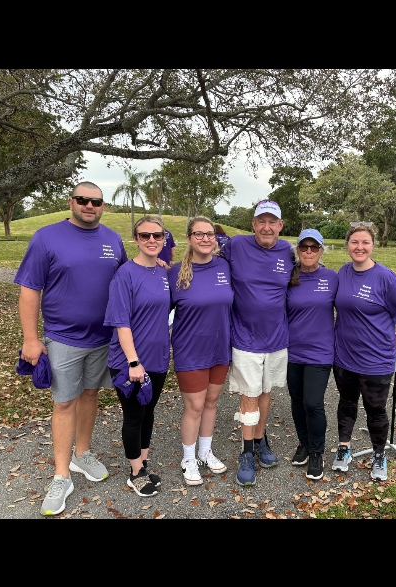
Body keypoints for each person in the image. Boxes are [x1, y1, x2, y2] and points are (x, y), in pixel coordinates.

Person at [14, 181, 128, 516]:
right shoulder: (46, 238)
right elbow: (30, 290)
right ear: (71, 202)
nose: (89, 206)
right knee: (64, 403)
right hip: (63, 338)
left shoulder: (112, 239)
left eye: (96, 201)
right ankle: (61, 475)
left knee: (90, 394)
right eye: (82, 199)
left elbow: (126, 280)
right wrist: (30, 338)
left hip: (102, 337)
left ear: (103, 206)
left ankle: (82, 454)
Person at [332, 224, 396, 481]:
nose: (359, 247)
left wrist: (394, 342)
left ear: (373, 245)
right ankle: (344, 448)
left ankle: (379, 454)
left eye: (365, 242)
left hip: (376, 361)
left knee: (375, 409)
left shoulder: (385, 278)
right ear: (347, 244)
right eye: (354, 242)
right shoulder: (343, 272)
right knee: (346, 402)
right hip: (344, 356)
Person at [221, 200, 295, 486]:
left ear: (280, 225)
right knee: (249, 396)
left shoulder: (288, 252)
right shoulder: (236, 245)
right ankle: (247, 452)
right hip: (245, 338)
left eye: (272, 222)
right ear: (253, 224)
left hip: (277, 339)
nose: (266, 227)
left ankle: (260, 439)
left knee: (265, 392)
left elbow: (311, 268)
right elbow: (206, 256)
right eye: (261, 221)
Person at [104, 215, 171, 496]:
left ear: (164, 239)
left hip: (158, 358)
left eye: (157, 235)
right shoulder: (125, 275)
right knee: (134, 416)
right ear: (136, 239)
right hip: (130, 361)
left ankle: (143, 463)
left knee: (148, 412)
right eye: (145, 235)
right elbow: (121, 323)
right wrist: (133, 362)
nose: (152, 240)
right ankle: (135, 473)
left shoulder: (164, 273)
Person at [169, 216, 233, 486]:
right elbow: (159, 309)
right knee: (194, 406)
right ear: (189, 238)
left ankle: (205, 452)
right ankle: (188, 458)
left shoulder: (225, 267)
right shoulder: (175, 272)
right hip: (190, 349)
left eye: (210, 234)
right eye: (199, 234)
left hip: (220, 347)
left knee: (210, 402)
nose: (205, 238)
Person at [287, 229, 338, 480]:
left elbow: (350, 306)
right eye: (304, 247)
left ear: (321, 250)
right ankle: (304, 444)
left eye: (314, 247)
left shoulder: (332, 278)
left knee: (313, 403)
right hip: (291, 351)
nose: (309, 251)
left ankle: (317, 452)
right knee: (297, 401)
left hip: (320, 352)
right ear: (298, 250)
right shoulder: (288, 276)